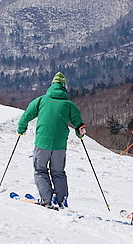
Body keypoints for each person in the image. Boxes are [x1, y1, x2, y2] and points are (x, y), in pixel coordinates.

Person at [17, 72, 86, 209]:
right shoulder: (68, 104)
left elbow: (26, 115)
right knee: (58, 172)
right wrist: (80, 135)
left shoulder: (41, 100)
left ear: (52, 85)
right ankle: (61, 200)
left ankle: (47, 199)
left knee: (40, 170)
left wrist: (21, 129)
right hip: (60, 145)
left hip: (42, 143)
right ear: (64, 86)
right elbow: (79, 125)